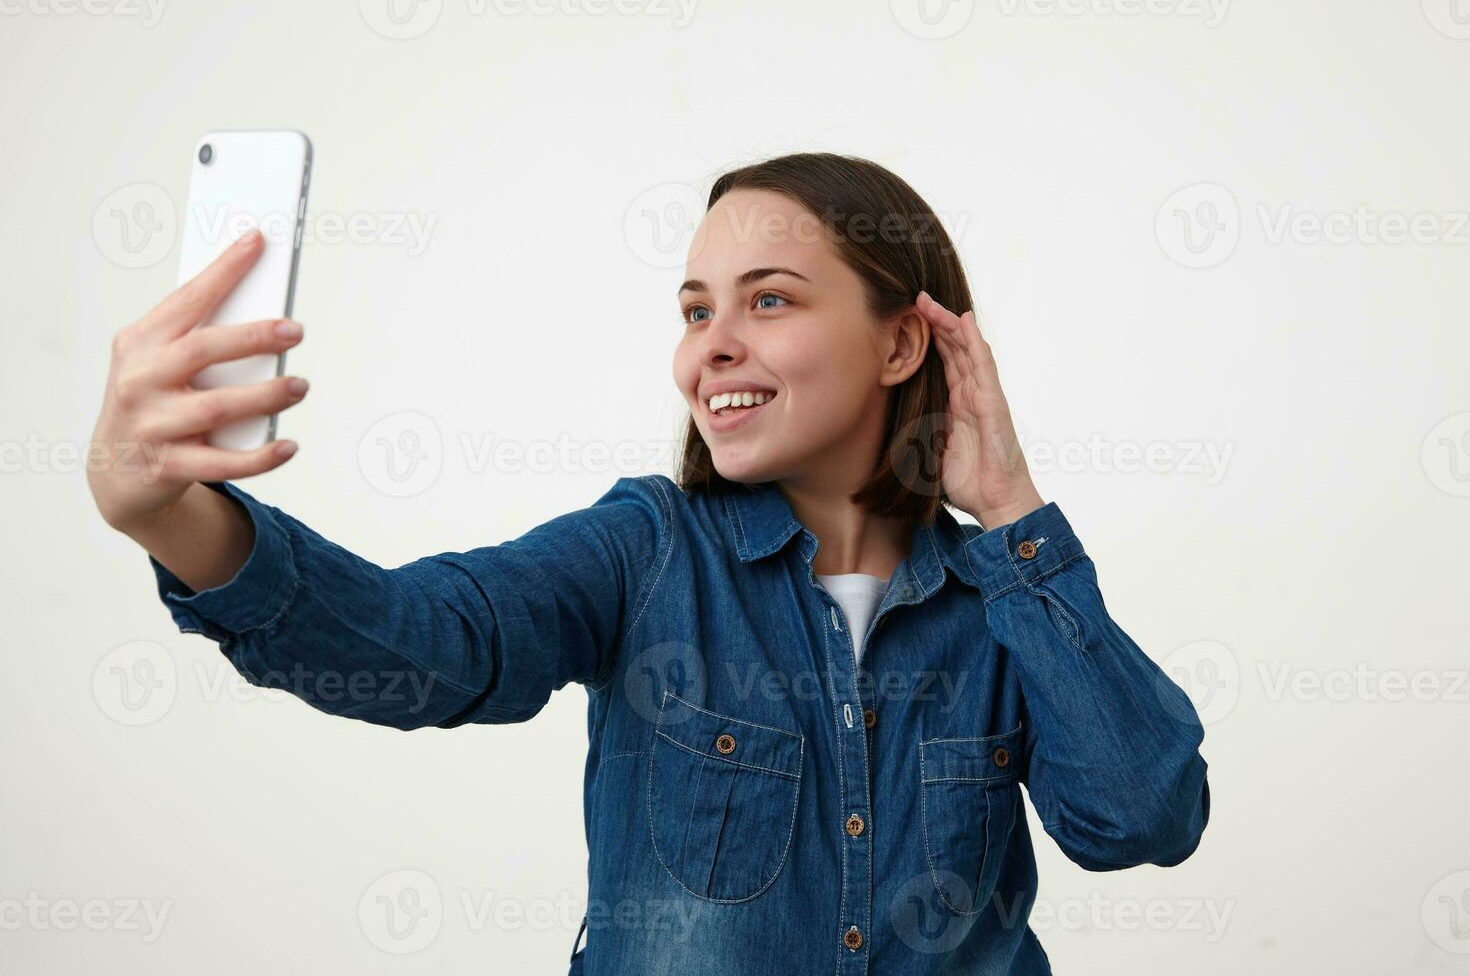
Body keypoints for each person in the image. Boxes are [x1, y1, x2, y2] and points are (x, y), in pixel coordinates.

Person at [89, 152, 1210, 974]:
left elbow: (1143, 816)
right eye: (693, 308)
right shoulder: (647, 550)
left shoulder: (1000, 598)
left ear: (902, 341)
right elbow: (423, 641)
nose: (708, 345)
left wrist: (1014, 512)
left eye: (768, 299)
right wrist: (172, 514)